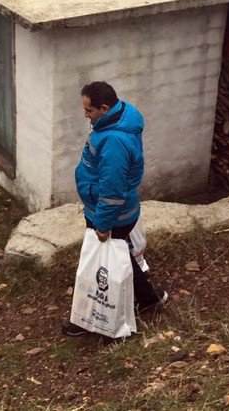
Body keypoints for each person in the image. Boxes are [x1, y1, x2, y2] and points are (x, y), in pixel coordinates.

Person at [63, 81, 167, 337]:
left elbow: (112, 189)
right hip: (112, 211)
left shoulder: (113, 142)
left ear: (104, 107)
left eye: (88, 110)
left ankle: (87, 317)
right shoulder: (118, 119)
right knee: (121, 256)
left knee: (98, 263)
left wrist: (102, 224)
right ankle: (150, 299)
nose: (85, 114)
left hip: (110, 214)